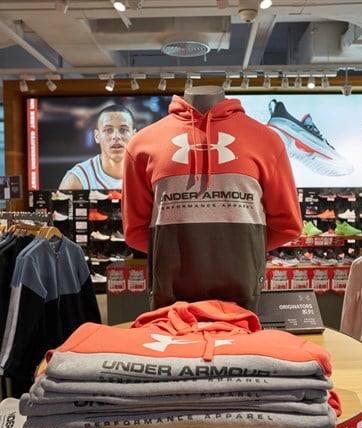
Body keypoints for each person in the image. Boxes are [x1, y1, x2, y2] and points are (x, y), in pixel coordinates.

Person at [122, 85, 302, 312]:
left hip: (241, 296)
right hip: (170, 298)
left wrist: (243, 252)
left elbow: (288, 224)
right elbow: (135, 229)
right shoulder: (142, 144)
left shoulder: (266, 140)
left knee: (239, 338)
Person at [58, 104, 136, 190]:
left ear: (134, 136)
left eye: (123, 130)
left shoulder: (145, 173)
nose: (116, 136)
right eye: (109, 130)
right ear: (97, 136)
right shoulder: (77, 178)